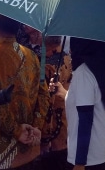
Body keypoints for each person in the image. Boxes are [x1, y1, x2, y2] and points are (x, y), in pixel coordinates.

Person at [0, 13, 50, 169]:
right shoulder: (32, 56)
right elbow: (44, 94)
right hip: (30, 150)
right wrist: (36, 127)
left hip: (0, 155)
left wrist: (16, 131)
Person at [50, 37, 105, 170]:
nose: (69, 51)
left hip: (88, 159)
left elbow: (85, 119)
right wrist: (64, 92)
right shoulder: (98, 70)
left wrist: (80, 163)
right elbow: (91, 104)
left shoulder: (83, 73)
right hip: (99, 152)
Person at [41, 36, 73, 170]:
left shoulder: (47, 66)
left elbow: (47, 103)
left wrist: (45, 137)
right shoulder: (69, 59)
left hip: (52, 129)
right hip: (67, 125)